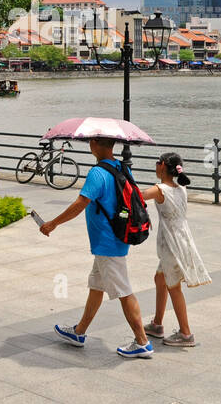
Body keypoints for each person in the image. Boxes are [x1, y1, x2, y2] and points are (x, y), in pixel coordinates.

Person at [40, 137, 153, 358]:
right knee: (96, 285)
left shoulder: (97, 173)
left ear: (96, 145)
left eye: (92, 141)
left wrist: (52, 223)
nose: (90, 144)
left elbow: (81, 203)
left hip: (107, 242)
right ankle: (79, 332)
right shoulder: (120, 166)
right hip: (116, 237)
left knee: (123, 290)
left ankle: (142, 342)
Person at [140, 152, 210, 347]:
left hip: (171, 242)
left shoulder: (160, 189)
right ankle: (157, 324)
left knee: (174, 287)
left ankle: (186, 334)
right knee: (160, 278)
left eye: (156, 163)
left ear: (162, 165)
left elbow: (137, 196)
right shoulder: (181, 188)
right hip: (182, 237)